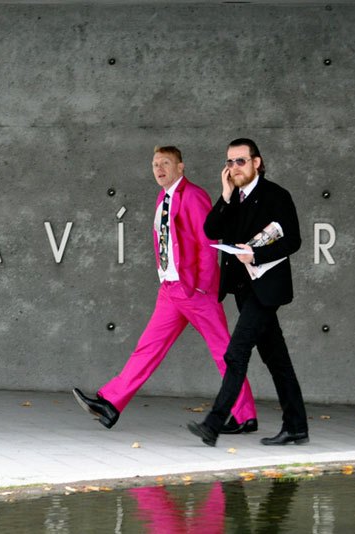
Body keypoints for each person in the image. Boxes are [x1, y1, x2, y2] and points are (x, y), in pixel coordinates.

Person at [73, 145, 257, 434]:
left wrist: (201, 286)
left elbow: (208, 243)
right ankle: (110, 403)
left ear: (180, 167)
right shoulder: (164, 196)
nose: (159, 169)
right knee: (147, 348)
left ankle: (244, 415)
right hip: (171, 290)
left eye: (166, 163)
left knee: (224, 351)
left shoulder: (193, 196)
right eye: (155, 164)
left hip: (195, 291)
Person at [187, 138, 308, 447]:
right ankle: (296, 427)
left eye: (240, 161)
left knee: (236, 352)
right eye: (229, 162)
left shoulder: (276, 196)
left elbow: (293, 240)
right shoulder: (234, 198)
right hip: (243, 288)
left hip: (267, 288)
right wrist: (225, 196)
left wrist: (257, 255)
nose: (234, 167)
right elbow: (211, 230)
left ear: (257, 162)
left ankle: (213, 423)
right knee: (276, 359)